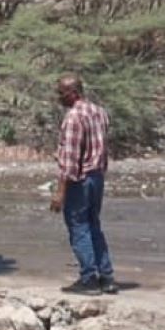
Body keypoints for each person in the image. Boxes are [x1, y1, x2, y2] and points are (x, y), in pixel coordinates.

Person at [51, 75, 116, 295]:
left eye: (61, 93)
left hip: (80, 179)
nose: (58, 97)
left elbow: (70, 162)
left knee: (79, 226)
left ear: (73, 93)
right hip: (97, 176)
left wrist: (60, 193)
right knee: (93, 225)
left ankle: (89, 278)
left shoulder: (73, 118)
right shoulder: (100, 112)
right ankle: (106, 276)